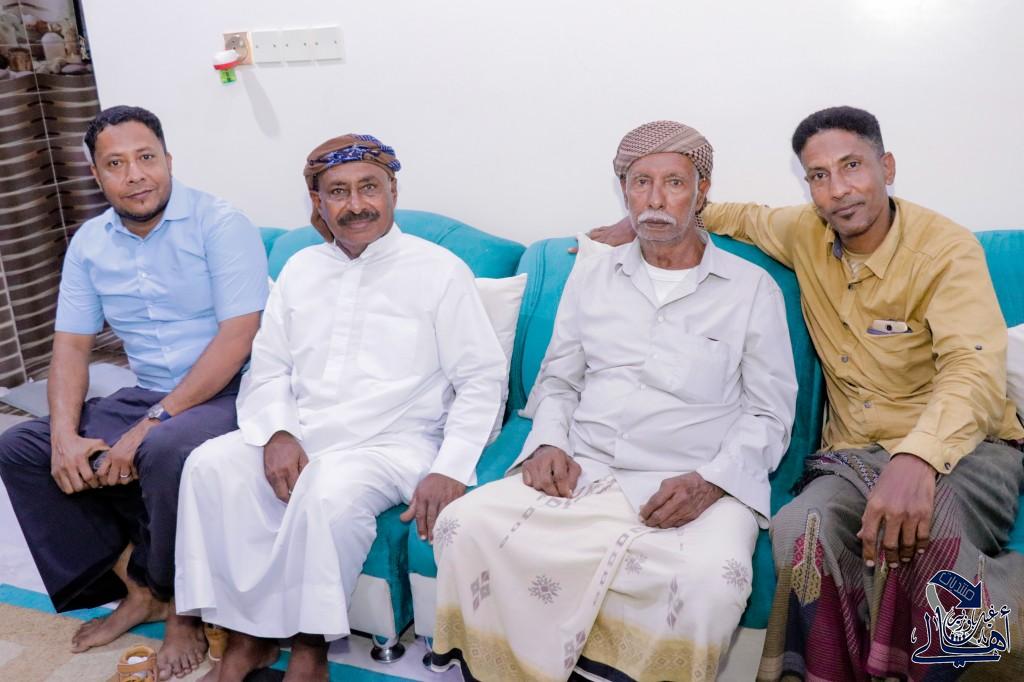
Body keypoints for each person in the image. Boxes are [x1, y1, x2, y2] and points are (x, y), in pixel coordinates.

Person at [586, 106, 1024, 680]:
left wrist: (917, 459)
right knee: (799, 529)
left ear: (887, 167)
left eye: (852, 166)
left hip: (967, 449)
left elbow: (972, 369)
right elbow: (731, 213)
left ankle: (997, 628)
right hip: (854, 456)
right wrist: (652, 218)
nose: (838, 189)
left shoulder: (946, 251)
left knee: (923, 531)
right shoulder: (806, 234)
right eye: (819, 175)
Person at [430, 121, 798, 682]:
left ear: (702, 191)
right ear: (623, 191)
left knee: (711, 579)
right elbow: (559, 381)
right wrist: (547, 444)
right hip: (587, 469)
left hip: (692, 482)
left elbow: (769, 414)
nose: (655, 199)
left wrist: (712, 481)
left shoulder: (750, 290)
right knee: (465, 522)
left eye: (674, 183)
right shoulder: (592, 276)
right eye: (640, 182)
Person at [174, 134, 506, 682]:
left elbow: (481, 377)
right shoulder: (301, 269)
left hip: (395, 442)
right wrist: (278, 432)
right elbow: (269, 366)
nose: (356, 205)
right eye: (338, 192)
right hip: (305, 429)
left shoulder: (439, 271)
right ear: (318, 202)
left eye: (369, 188)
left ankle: (310, 651)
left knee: (327, 493)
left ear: (393, 190)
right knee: (209, 466)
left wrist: (451, 467)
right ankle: (245, 640)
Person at [0, 105, 268, 679]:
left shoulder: (221, 225)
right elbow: (71, 346)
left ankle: (182, 609)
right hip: (147, 392)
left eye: (146, 158)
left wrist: (152, 423)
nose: (135, 175)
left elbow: (238, 337)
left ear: (168, 160)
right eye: (116, 164)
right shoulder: (89, 243)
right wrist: (65, 436)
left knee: (164, 450)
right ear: (96, 176)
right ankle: (139, 589)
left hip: (233, 390)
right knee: (22, 447)